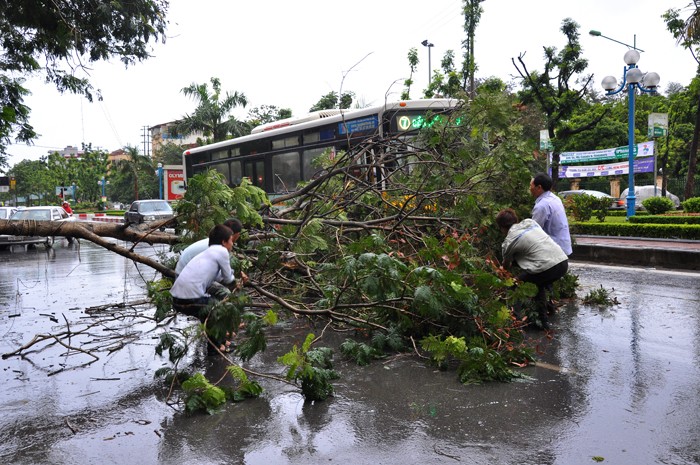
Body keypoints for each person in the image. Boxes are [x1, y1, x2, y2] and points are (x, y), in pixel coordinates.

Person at [496, 208, 569, 330]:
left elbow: (505, 267)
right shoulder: (530, 222)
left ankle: (515, 322)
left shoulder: (508, 242)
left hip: (546, 267)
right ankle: (544, 322)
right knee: (538, 284)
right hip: (562, 262)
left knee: (514, 285)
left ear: (502, 227)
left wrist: (500, 275)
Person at [175, 218, 243, 275]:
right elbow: (220, 273)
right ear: (236, 234)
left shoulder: (213, 241)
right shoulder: (219, 247)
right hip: (187, 277)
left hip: (182, 272)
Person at [529, 173, 572, 256]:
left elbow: (534, 231)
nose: (530, 188)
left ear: (539, 187)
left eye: (531, 186)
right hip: (563, 246)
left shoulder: (542, 206)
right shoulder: (555, 198)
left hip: (554, 251)